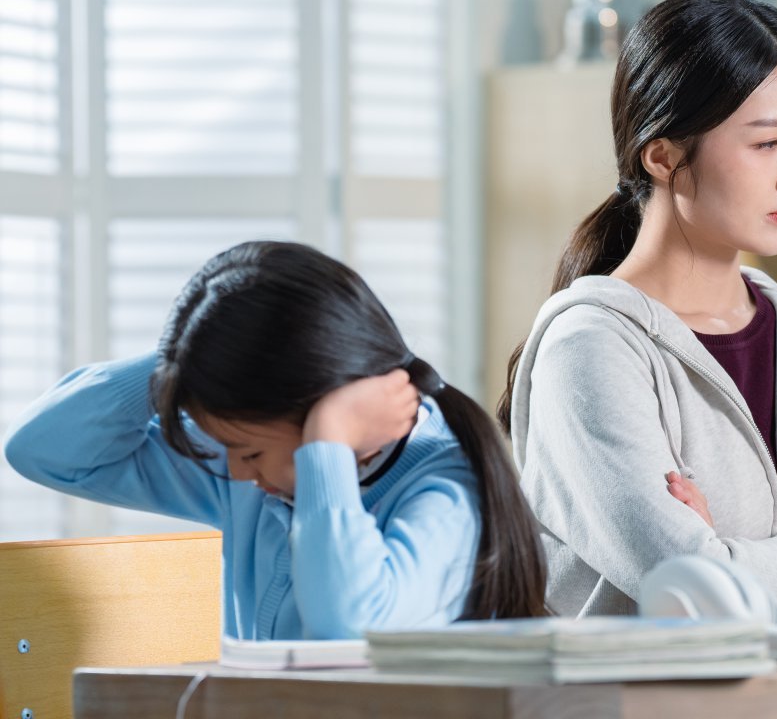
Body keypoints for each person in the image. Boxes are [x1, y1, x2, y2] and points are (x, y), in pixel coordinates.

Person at [497, 0, 777, 625]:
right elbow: (698, 596)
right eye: (766, 143)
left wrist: (728, 560)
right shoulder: (589, 350)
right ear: (663, 156)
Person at [4, 241, 547, 639]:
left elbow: (347, 627)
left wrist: (326, 448)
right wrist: (184, 362)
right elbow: (43, 450)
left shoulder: (446, 492)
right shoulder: (253, 474)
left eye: (252, 454)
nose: (237, 473)